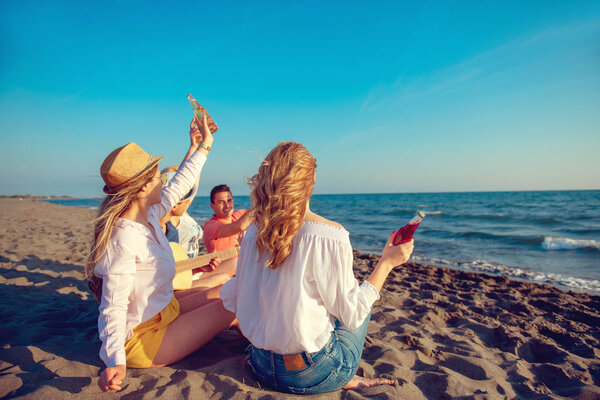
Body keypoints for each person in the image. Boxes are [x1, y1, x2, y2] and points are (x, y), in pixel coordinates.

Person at [220, 142, 414, 394]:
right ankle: (343, 376)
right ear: (312, 178)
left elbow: (233, 296)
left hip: (261, 365)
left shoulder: (253, 233)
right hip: (311, 373)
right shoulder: (330, 235)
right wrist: (387, 262)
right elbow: (353, 314)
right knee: (362, 300)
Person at [86, 116, 235, 393]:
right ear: (143, 188)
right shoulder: (123, 238)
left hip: (166, 310)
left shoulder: (151, 213)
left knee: (226, 291)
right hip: (145, 338)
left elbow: (181, 182)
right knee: (233, 304)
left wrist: (203, 146)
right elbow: (112, 306)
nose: (163, 182)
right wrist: (114, 360)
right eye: (158, 177)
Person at [203, 184, 253, 253]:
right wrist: (257, 205)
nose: (227, 206)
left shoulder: (238, 215)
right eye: (221, 202)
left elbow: (261, 212)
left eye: (229, 200)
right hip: (224, 263)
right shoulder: (211, 226)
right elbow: (239, 226)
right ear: (212, 206)